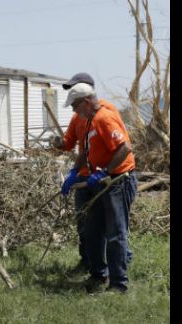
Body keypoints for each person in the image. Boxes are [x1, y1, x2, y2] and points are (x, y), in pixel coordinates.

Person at [61, 83, 137, 293]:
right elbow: (85, 150)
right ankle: (98, 275)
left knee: (115, 233)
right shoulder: (89, 121)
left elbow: (125, 148)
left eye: (75, 106)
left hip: (116, 181)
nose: (74, 111)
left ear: (86, 102)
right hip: (100, 183)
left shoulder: (104, 118)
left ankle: (118, 284)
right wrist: (73, 173)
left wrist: (105, 171)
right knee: (93, 230)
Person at [51, 73, 97, 274]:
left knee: (104, 225)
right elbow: (70, 144)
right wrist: (58, 143)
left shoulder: (102, 115)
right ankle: (86, 261)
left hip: (100, 177)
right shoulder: (77, 118)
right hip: (83, 175)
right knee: (82, 221)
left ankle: (112, 264)